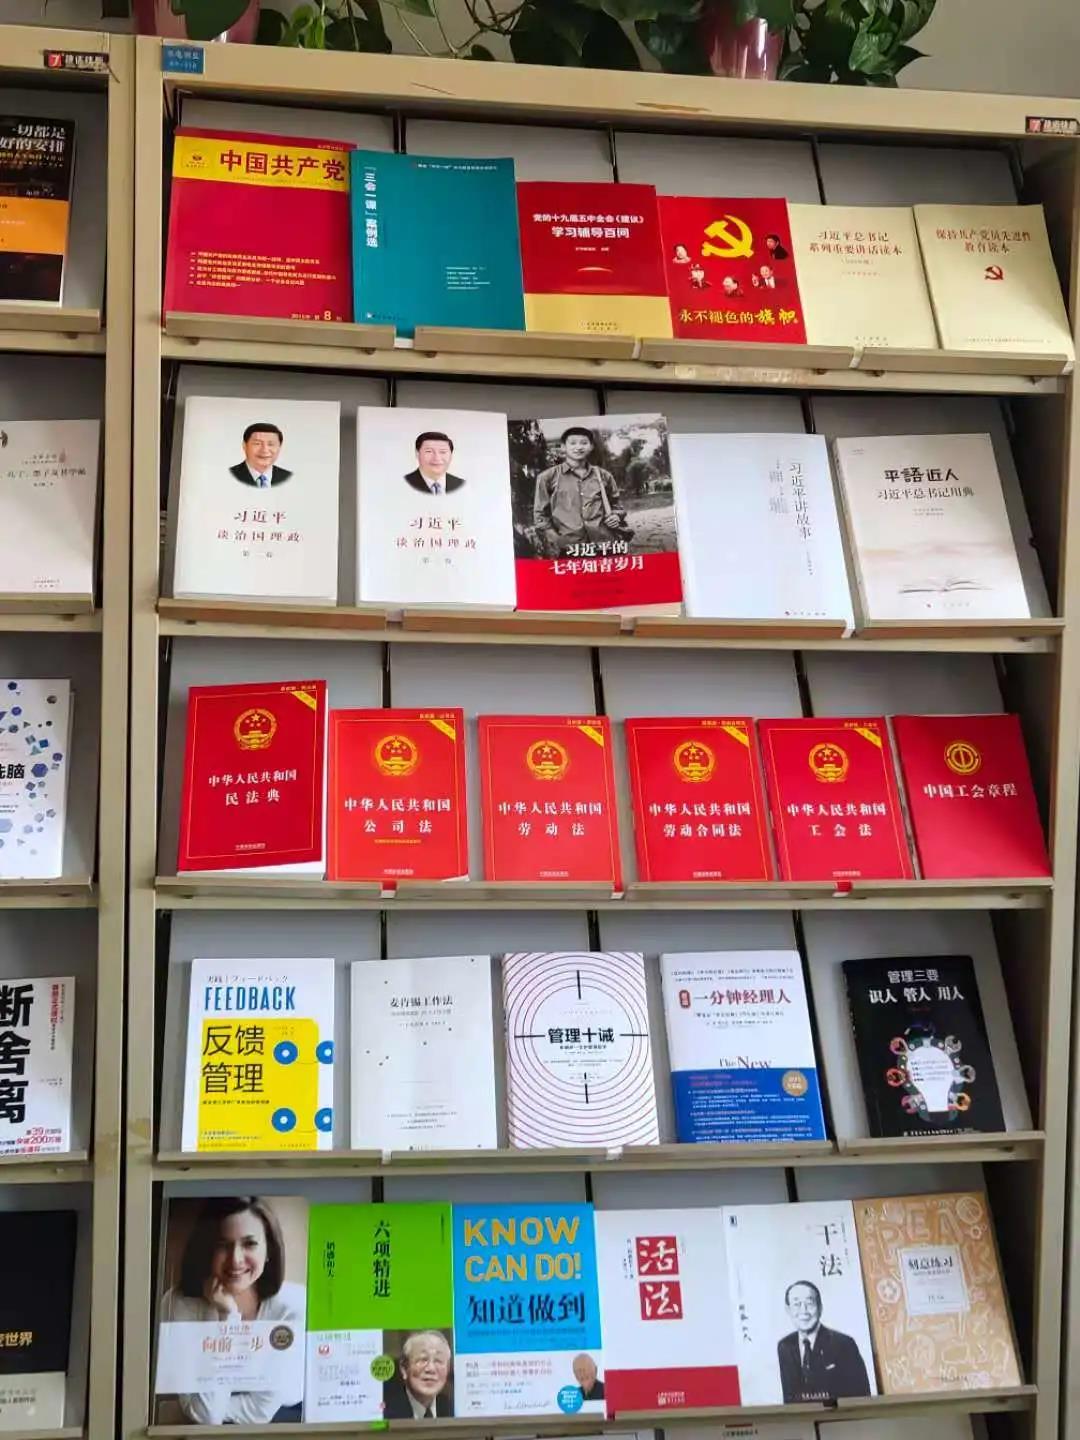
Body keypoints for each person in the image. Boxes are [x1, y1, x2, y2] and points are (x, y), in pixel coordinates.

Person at [159, 1196, 304, 1425]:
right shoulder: (179, 1303)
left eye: (249, 1244)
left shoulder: (292, 1305)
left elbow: (260, 1411)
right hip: (203, 1425)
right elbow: (206, 1416)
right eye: (222, 1245)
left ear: (268, 1251)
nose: (235, 1260)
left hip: (287, 1418)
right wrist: (227, 1318)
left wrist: (208, 1407)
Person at [532, 427, 632, 555]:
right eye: (573, 443)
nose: (578, 447)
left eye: (584, 443)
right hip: (569, 548)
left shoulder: (604, 475)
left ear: (591, 447)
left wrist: (616, 516)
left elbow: (617, 505)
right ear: (563, 447)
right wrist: (555, 539)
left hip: (605, 544)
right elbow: (540, 515)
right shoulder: (547, 477)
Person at [776, 1280, 871, 1404]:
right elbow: (790, 1399)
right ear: (788, 1310)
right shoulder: (785, 1346)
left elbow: (862, 1396)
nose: (804, 1310)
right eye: (797, 1304)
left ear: (820, 1308)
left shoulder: (844, 1344)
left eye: (809, 1303)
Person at [383, 1330, 453, 1419]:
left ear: (448, 1368)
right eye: (423, 1359)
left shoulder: (453, 1409)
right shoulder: (385, 1413)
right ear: (404, 1368)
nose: (431, 1369)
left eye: (438, 1361)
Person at [229, 423, 293, 487]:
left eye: (271, 444)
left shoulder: (287, 476)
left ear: (279, 447)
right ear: (244, 446)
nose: (264, 450)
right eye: (257, 443)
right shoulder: (230, 475)